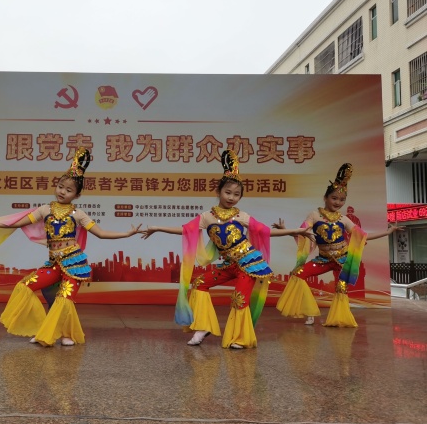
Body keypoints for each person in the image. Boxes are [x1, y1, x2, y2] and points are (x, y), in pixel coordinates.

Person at [141, 150, 310, 349]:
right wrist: (158, 228)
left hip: (248, 265)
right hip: (229, 265)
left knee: (239, 299)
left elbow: (266, 232)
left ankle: (240, 338)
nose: (231, 197)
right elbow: (186, 230)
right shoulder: (207, 217)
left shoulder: (242, 216)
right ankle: (203, 327)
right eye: (227, 192)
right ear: (219, 192)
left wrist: (296, 230)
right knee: (199, 284)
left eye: (236, 195)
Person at [0, 147, 141, 347]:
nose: (62, 192)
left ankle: (66, 335)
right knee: (25, 286)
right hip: (54, 263)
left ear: (77, 195)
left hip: (75, 265)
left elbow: (101, 233)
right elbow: (18, 223)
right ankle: (42, 329)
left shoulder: (78, 214)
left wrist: (126, 234)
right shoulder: (45, 209)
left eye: (69, 190)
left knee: (64, 299)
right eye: (60, 186)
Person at [275, 163, 403, 327]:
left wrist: (388, 232)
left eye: (342, 200)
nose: (338, 202)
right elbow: (302, 233)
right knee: (298, 274)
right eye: (334, 198)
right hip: (323, 260)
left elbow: (363, 236)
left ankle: (339, 318)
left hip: (342, 261)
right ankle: (310, 312)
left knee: (341, 289)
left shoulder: (344, 219)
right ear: (325, 198)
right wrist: (286, 230)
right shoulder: (314, 215)